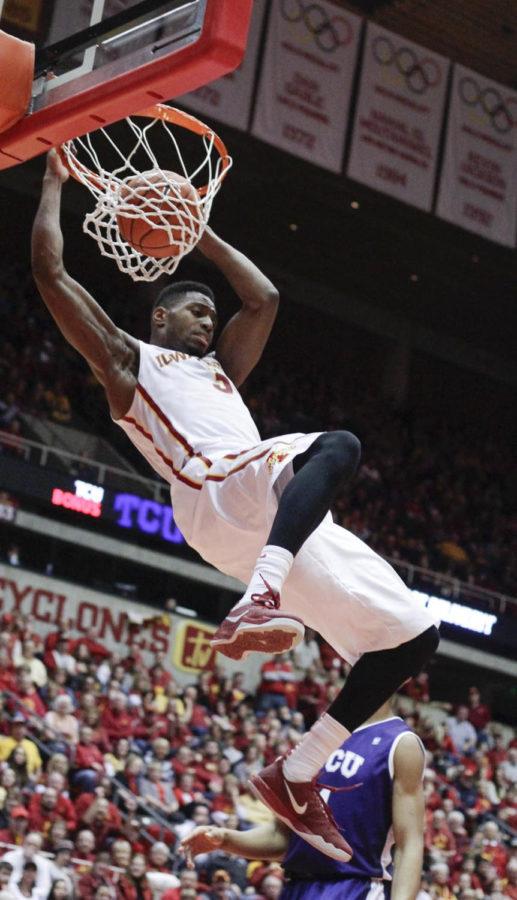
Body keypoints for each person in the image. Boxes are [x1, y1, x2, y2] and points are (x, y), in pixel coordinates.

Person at [32, 149, 439, 861]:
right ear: (159, 316)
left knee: (412, 638)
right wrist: (52, 185)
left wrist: (202, 232)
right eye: (194, 309)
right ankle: (262, 600)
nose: (206, 319)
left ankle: (296, 770)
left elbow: (265, 300)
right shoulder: (128, 360)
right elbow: (52, 275)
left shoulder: (220, 371)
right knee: (336, 446)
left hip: (267, 511)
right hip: (214, 490)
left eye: (209, 314)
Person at [180, 700, 426, 899]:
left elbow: (410, 843)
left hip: (354, 886)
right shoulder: (315, 737)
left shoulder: (400, 743)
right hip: (296, 887)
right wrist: (225, 838)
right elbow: (283, 838)